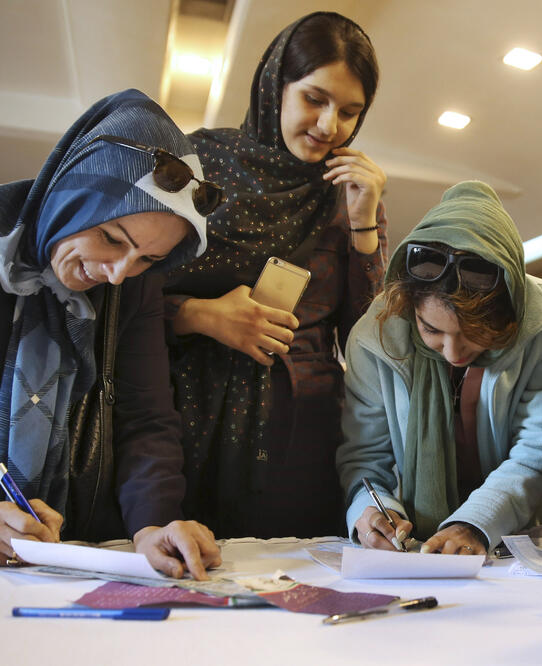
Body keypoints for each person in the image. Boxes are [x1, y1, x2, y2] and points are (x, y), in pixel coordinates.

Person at [163, 12, 388, 538]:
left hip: (300, 429)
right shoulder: (197, 166)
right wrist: (200, 315)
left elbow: (367, 340)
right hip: (187, 415)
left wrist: (364, 227)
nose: (330, 126)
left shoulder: (351, 193)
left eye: (350, 111)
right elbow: (125, 297)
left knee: (295, 592)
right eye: (315, 99)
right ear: (275, 86)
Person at [0, 89, 221, 579]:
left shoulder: (134, 289)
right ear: (72, 195)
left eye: (147, 258)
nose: (119, 274)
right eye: (111, 239)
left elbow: (145, 417)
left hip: (65, 548)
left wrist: (153, 524)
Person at [337, 180, 542, 555]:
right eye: (431, 329)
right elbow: (365, 457)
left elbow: (538, 447)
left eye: (474, 334)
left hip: (516, 536)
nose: (452, 352)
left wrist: (474, 524)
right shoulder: (374, 337)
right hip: (413, 541)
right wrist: (371, 512)